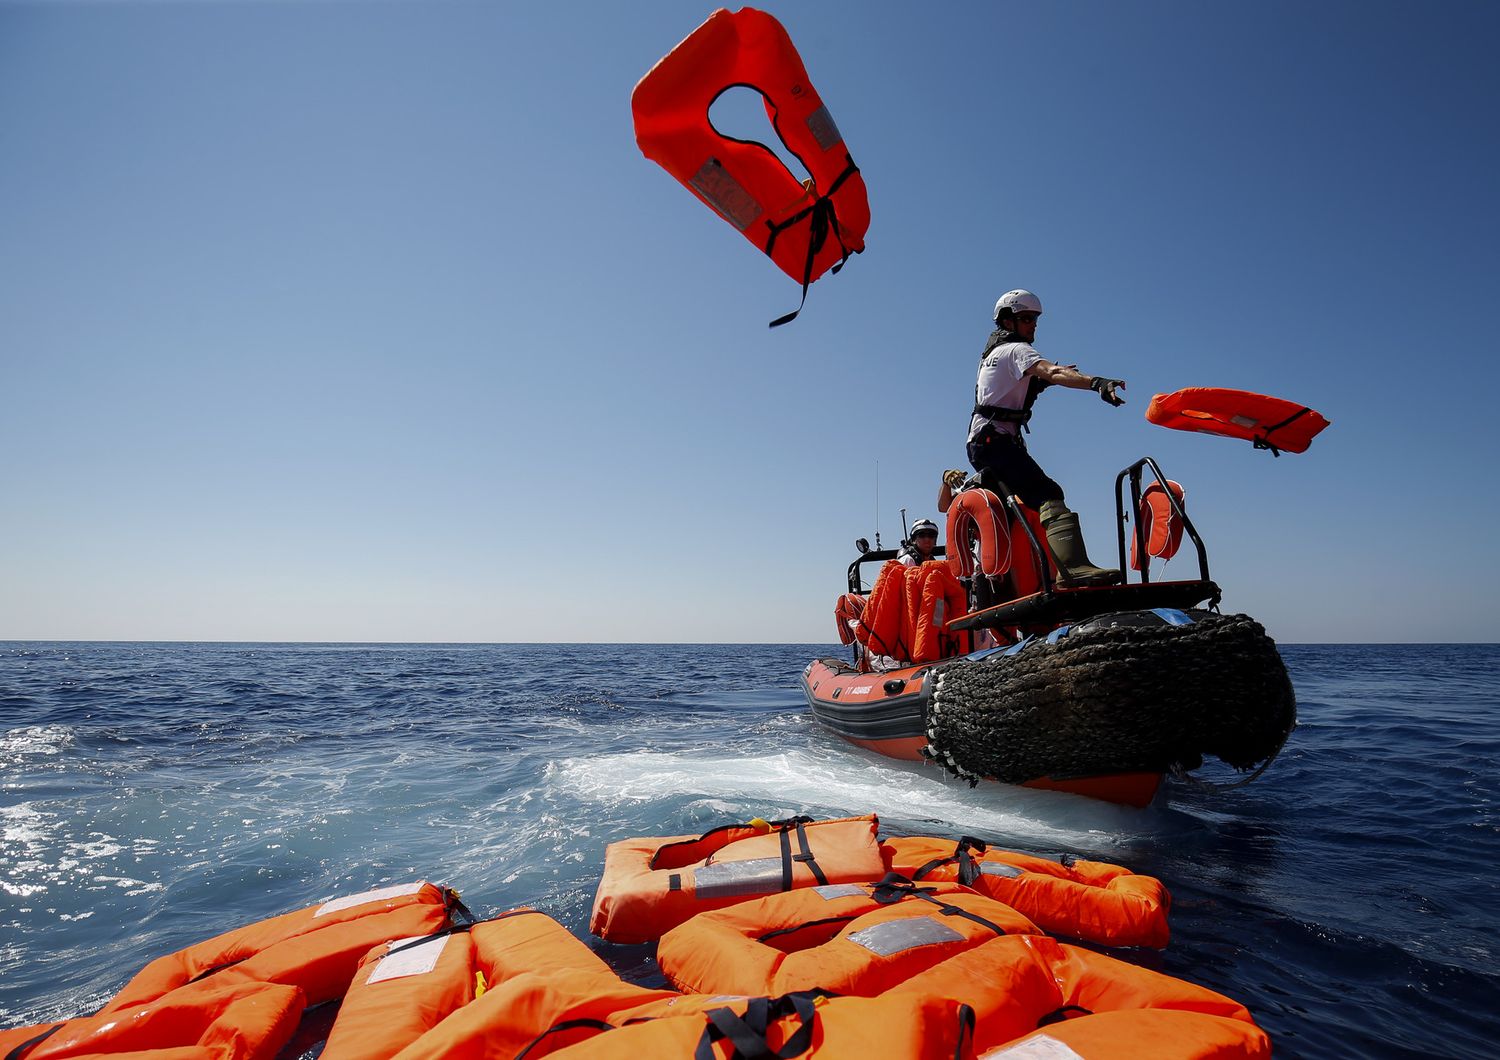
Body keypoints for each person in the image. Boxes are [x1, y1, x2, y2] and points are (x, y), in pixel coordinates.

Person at [966, 289, 1125, 587]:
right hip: (994, 441)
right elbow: (1051, 371)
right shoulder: (1016, 350)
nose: (1033, 325)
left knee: (1022, 507)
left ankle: (1015, 580)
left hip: (984, 442)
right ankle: (1071, 569)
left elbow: (1011, 390)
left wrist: (1045, 382)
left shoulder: (993, 355)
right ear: (1007, 322)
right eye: (1026, 318)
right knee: (1048, 493)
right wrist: (1097, 383)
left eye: (1035, 320)